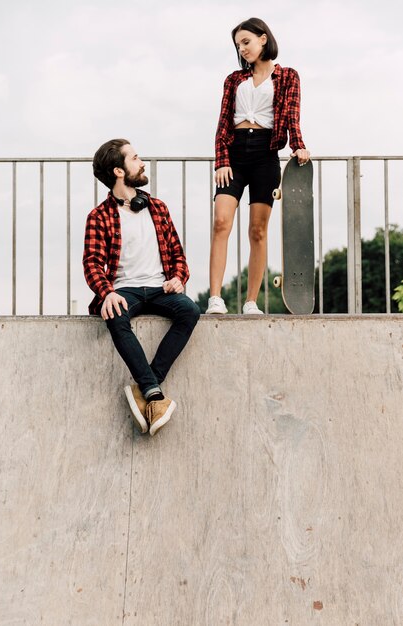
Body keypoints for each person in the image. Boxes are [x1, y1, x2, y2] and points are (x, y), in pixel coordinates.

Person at [83, 138, 200, 436]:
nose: (142, 162)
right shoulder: (99, 217)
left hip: (161, 288)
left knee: (189, 311)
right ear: (119, 171)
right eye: (135, 158)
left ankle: (148, 388)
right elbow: (92, 263)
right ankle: (155, 394)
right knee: (115, 315)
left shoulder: (157, 208)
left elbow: (177, 255)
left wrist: (178, 278)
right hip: (125, 290)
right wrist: (106, 292)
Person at [206, 17, 310, 315]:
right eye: (239, 45)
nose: (242, 50)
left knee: (257, 231)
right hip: (234, 155)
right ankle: (215, 298)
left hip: (265, 155)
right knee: (221, 222)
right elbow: (223, 121)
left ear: (263, 39)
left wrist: (298, 145)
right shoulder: (233, 80)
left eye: (246, 42)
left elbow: (292, 115)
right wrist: (221, 160)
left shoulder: (288, 76)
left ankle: (251, 302)